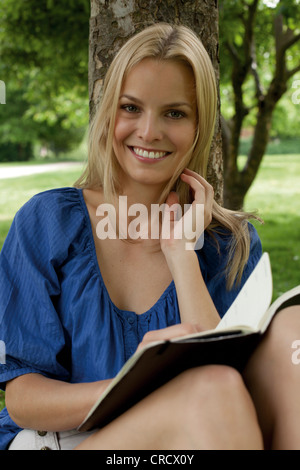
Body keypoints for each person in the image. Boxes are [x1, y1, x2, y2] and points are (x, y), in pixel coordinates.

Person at [0, 23, 299, 451]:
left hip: (190, 443)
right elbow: (23, 399)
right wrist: (138, 385)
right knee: (208, 393)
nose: (149, 131)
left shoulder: (230, 244)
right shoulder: (48, 223)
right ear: (109, 113)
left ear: (200, 125)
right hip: (63, 442)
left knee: (292, 328)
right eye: (131, 108)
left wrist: (181, 253)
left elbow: (234, 388)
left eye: (174, 113)